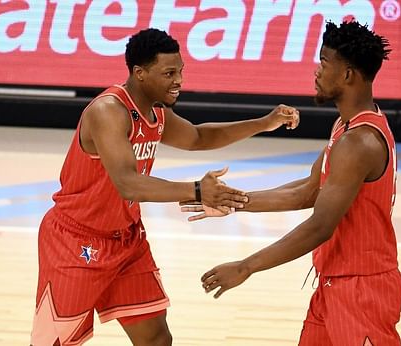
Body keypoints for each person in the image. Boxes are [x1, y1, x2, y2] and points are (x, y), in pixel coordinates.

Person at [29, 28, 299, 346]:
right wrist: (197, 190)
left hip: (127, 240)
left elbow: (199, 137)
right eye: (169, 73)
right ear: (140, 73)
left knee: (156, 338)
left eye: (181, 71)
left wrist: (264, 123)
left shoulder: (156, 112)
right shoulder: (109, 112)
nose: (179, 80)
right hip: (77, 241)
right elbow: (128, 183)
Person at [184, 21, 401, 345]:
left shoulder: (359, 143)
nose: (316, 71)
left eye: (324, 62)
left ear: (347, 75)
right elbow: (309, 191)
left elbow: (319, 227)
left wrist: (246, 267)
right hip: (333, 284)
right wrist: (232, 201)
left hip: (361, 291)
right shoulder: (346, 126)